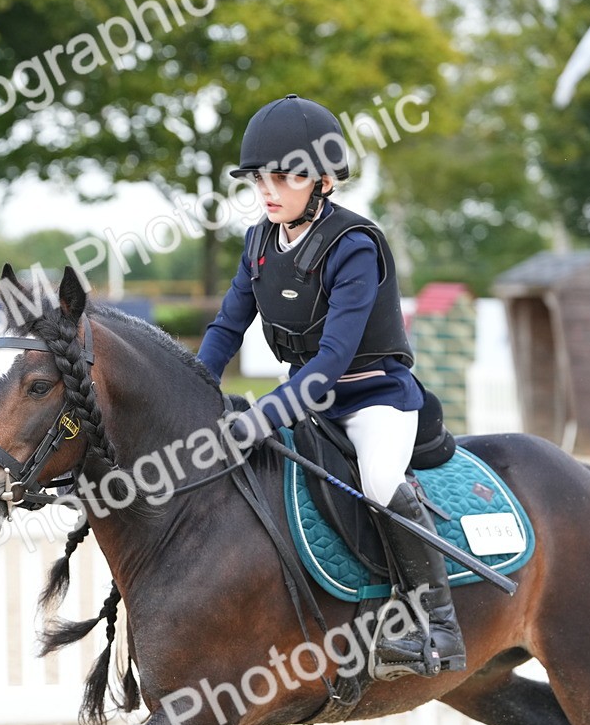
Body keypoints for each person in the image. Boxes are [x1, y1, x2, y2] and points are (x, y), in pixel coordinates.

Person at [196, 94, 465, 680]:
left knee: (378, 481)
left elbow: (335, 358)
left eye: (285, 177)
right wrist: (196, 387)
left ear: (322, 181)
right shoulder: (258, 242)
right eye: (260, 177)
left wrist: (262, 416)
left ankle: (438, 628)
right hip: (308, 402)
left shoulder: (354, 245)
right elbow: (225, 328)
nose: (268, 189)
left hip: (372, 398)